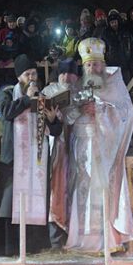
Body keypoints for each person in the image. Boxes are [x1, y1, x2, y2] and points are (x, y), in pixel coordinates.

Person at [64, 38, 133, 253]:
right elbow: (66, 118)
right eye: (88, 64)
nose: (92, 68)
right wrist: (79, 110)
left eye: (95, 64)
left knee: (100, 192)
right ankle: (81, 240)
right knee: (81, 191)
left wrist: (101, 110)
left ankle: (103, 241)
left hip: (104, 149)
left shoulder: (115, 83)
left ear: (102, 64)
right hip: (81, 148)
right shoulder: (76, 86)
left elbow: (127, 114)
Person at [0, 54, 62, 256]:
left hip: (36, 161)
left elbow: (56, 131)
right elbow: (5, 112)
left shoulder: (43, 97)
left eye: (34, 73)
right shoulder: (8, 93)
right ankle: (8, 249)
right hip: (14, 160)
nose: (32, 78)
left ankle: (35, 248)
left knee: (35, 202)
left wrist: (53, 120)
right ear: (19, 78)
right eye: (27, 74)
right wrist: (27, 98)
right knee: (9, 204)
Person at [41, 58, 80, 249]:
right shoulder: (48, 91)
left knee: (74, 188)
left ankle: (74, 234)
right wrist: (54, 116)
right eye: (63, 73)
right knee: (56, 189)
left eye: (70, 73)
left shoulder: (81, 92)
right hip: (55, 147)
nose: (66, 77)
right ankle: (55, 236)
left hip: (75, 146)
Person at [103, 13, 133, 83]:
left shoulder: (126, 32)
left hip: (126, 65)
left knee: (127, 85)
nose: (114, 24)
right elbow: (103, 51)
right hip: (112, 66)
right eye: (112, 22)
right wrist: (106, 63)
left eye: (115, 22)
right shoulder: (105, 35)